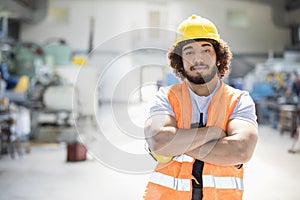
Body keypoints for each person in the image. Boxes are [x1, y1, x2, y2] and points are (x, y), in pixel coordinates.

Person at [143, 15, 258, 200]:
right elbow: (158, 141)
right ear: (179, 61)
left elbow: (241, 150)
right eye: (189, 52)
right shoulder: (166, 97)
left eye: (206, 50)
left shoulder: (238, 100)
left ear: (219, 58)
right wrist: (212, 133)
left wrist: (175, 145)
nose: (198, 58)